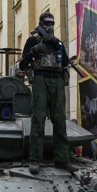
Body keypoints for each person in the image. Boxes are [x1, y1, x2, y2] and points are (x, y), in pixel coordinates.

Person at [19, 12, 76, 174]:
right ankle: (35, 159)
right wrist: (33, 51)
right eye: (46, 23)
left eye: (52, 23)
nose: (49, 26)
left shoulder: (57, 42)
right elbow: (22, 65)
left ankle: (63, 159)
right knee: (38, 119)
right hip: (41, 79)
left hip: (57, 81)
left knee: (59, 120)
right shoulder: (32, 40)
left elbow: (64, 63)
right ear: (40, 23)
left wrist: (58, 45)